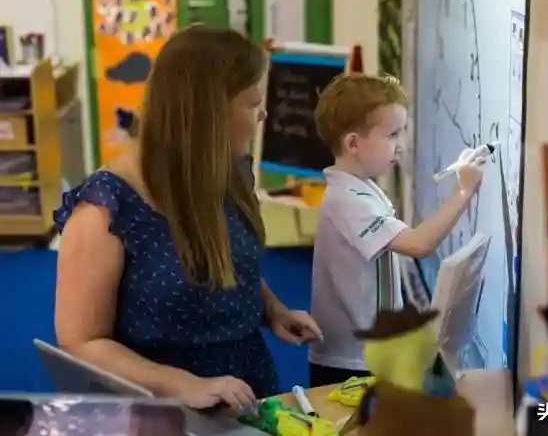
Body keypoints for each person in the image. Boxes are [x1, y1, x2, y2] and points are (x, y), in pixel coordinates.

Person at [53, 25, 322, 412]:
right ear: (210, 113)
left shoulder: (229, 170)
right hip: (161, 411)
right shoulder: (105, 210)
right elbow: (81, 342)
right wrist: (179, 384)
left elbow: (228, 261)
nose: (263, 114)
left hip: (248, 391)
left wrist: (272, 309)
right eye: (253, 104)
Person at [308, 74, 486, 386]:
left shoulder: (361, 189)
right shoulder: (347, 201)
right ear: (353, 144)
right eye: (393, 134)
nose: (402, 145)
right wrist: (463, 192)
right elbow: (418, 244)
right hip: (350, 363)